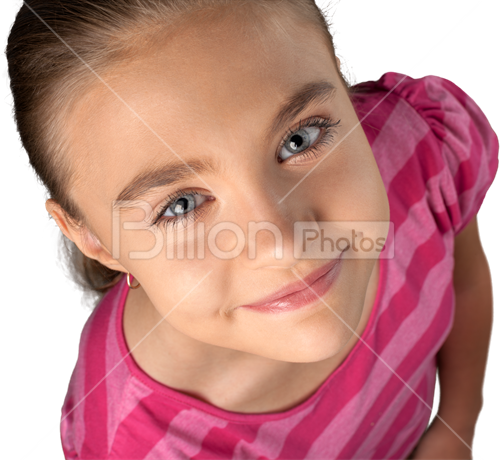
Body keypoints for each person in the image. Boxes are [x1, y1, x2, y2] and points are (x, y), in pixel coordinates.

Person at [4, 1, 497, 459]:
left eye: (299, 138)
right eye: (180, 205)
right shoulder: (132, 446)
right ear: (93, 237)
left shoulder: (419, 150)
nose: (283, 245)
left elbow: (466, 282)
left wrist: (454, 429)